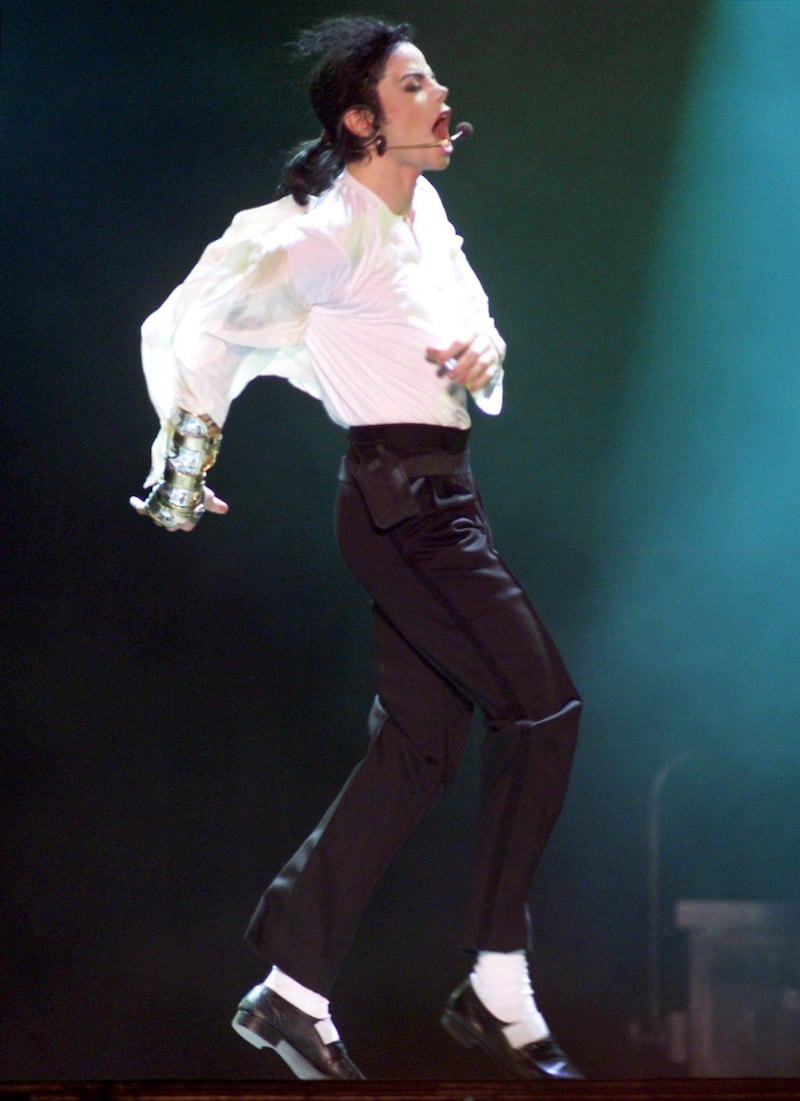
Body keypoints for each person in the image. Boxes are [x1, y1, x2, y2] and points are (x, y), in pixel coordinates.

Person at [131, 16, 583, 1082]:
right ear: (357, 118)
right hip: (402, 507)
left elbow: (479, 358)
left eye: (434, 80)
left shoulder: (424, 209)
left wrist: (486, 355)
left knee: (420, 750)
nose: (439, 97)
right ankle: (495, 982)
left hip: (439, 496)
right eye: (414, 83)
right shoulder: (320, 232)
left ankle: (289, 993)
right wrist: (184, 468)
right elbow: (194, 319)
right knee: (544, 712)